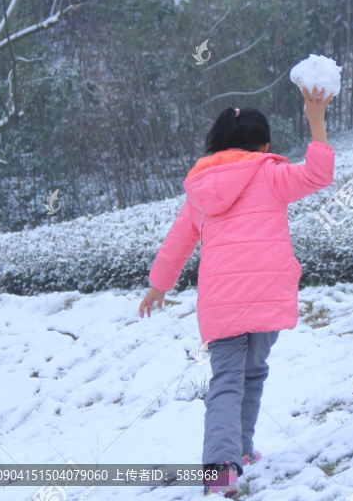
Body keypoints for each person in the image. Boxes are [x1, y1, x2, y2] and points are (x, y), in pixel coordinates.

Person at [138, 86, 335, 497]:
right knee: (254, 372)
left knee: (227, 380)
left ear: (215, 146)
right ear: (264, 145)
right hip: (267, 296)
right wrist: (315, 119)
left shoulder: (200, 192)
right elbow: (319, 175)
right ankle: (239, 452)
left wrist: (159, 286)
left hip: (221, 305)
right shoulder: (271, 173)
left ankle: (223, 470)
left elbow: (177, 243)